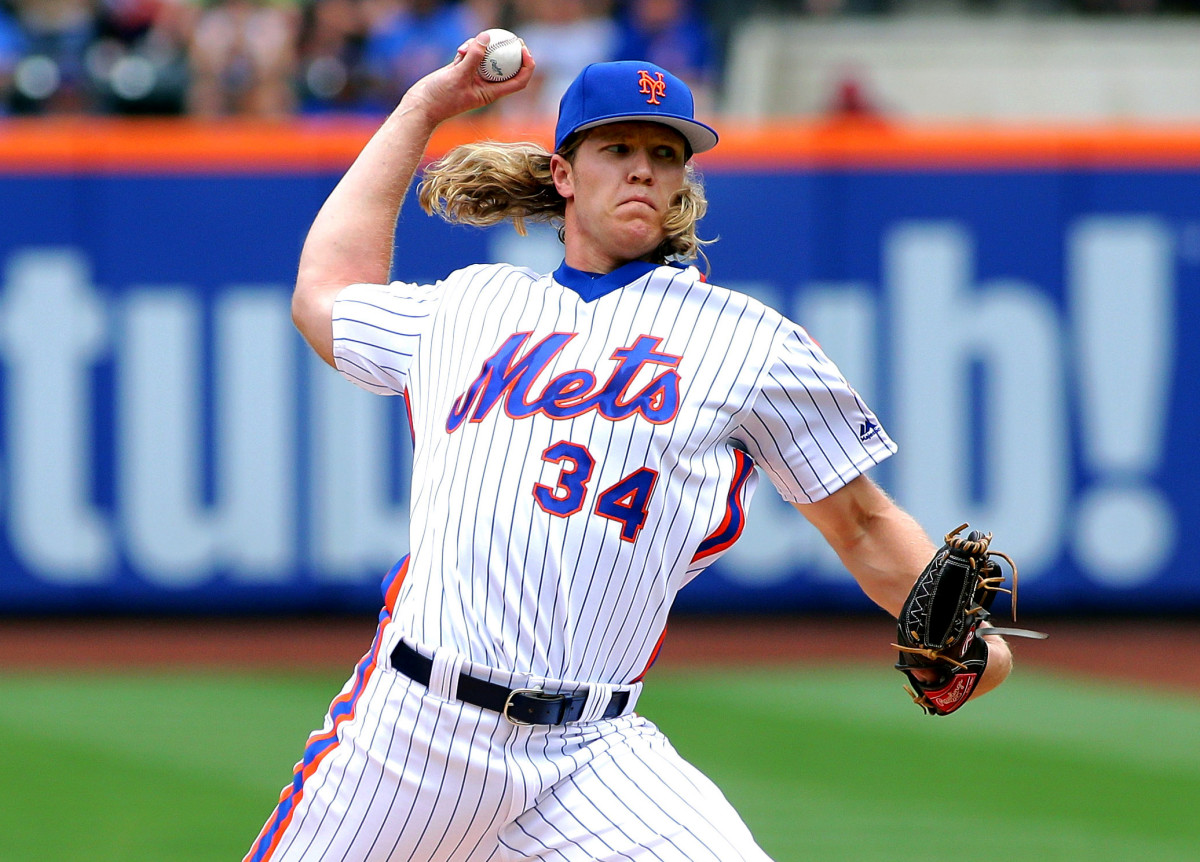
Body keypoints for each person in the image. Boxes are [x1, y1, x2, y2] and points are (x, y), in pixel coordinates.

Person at [245, 34, 1014, 862]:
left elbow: (864, 525)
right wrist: (422, 108)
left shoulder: (751, 344)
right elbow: (324, 292)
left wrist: (980, 651)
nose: (643, 168)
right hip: (412, 734)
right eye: (617, 148)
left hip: (592, 755)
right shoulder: (470, 306)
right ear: (565, 174)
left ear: (683, 179)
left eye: (664, 152)